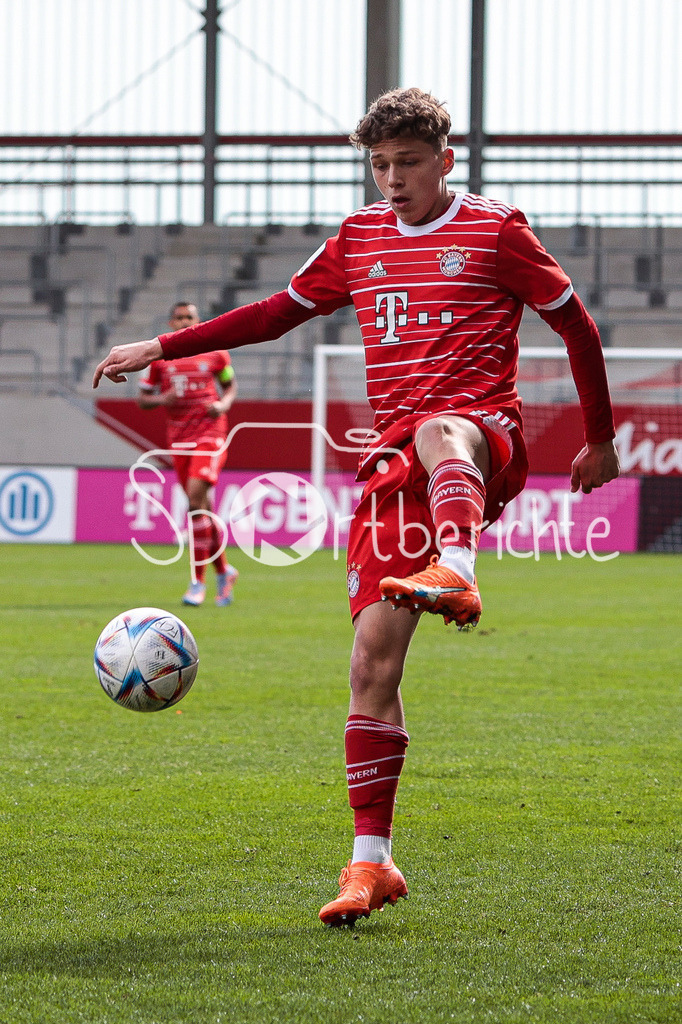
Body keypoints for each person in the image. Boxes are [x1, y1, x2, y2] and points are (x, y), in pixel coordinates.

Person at [94, 88, 620, 927]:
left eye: (408, 162)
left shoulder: (497, 229)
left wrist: (599, 437)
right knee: (372, 665)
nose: (392, 179)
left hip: (480, 438)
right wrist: (162, 344)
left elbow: (578, 327)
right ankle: (371, 862)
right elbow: (274, 315)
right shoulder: (358, 238)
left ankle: (459, 564)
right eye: (380, 165)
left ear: (445, 160)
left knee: (444, 428)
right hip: (391, 467)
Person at [137, 300, 239, 607]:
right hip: (179, 439)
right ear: (171, 324)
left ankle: (197, 582)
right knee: (203, 509)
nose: (184, 322)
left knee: (195, 502)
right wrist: (161, 398)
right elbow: (143, 399)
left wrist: (222, 405)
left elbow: (230, 386)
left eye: (189, 318)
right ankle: (225, 571)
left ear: (198, 321)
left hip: (211, 435)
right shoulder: (159, 360)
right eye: (179, 318)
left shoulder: (217, 353)